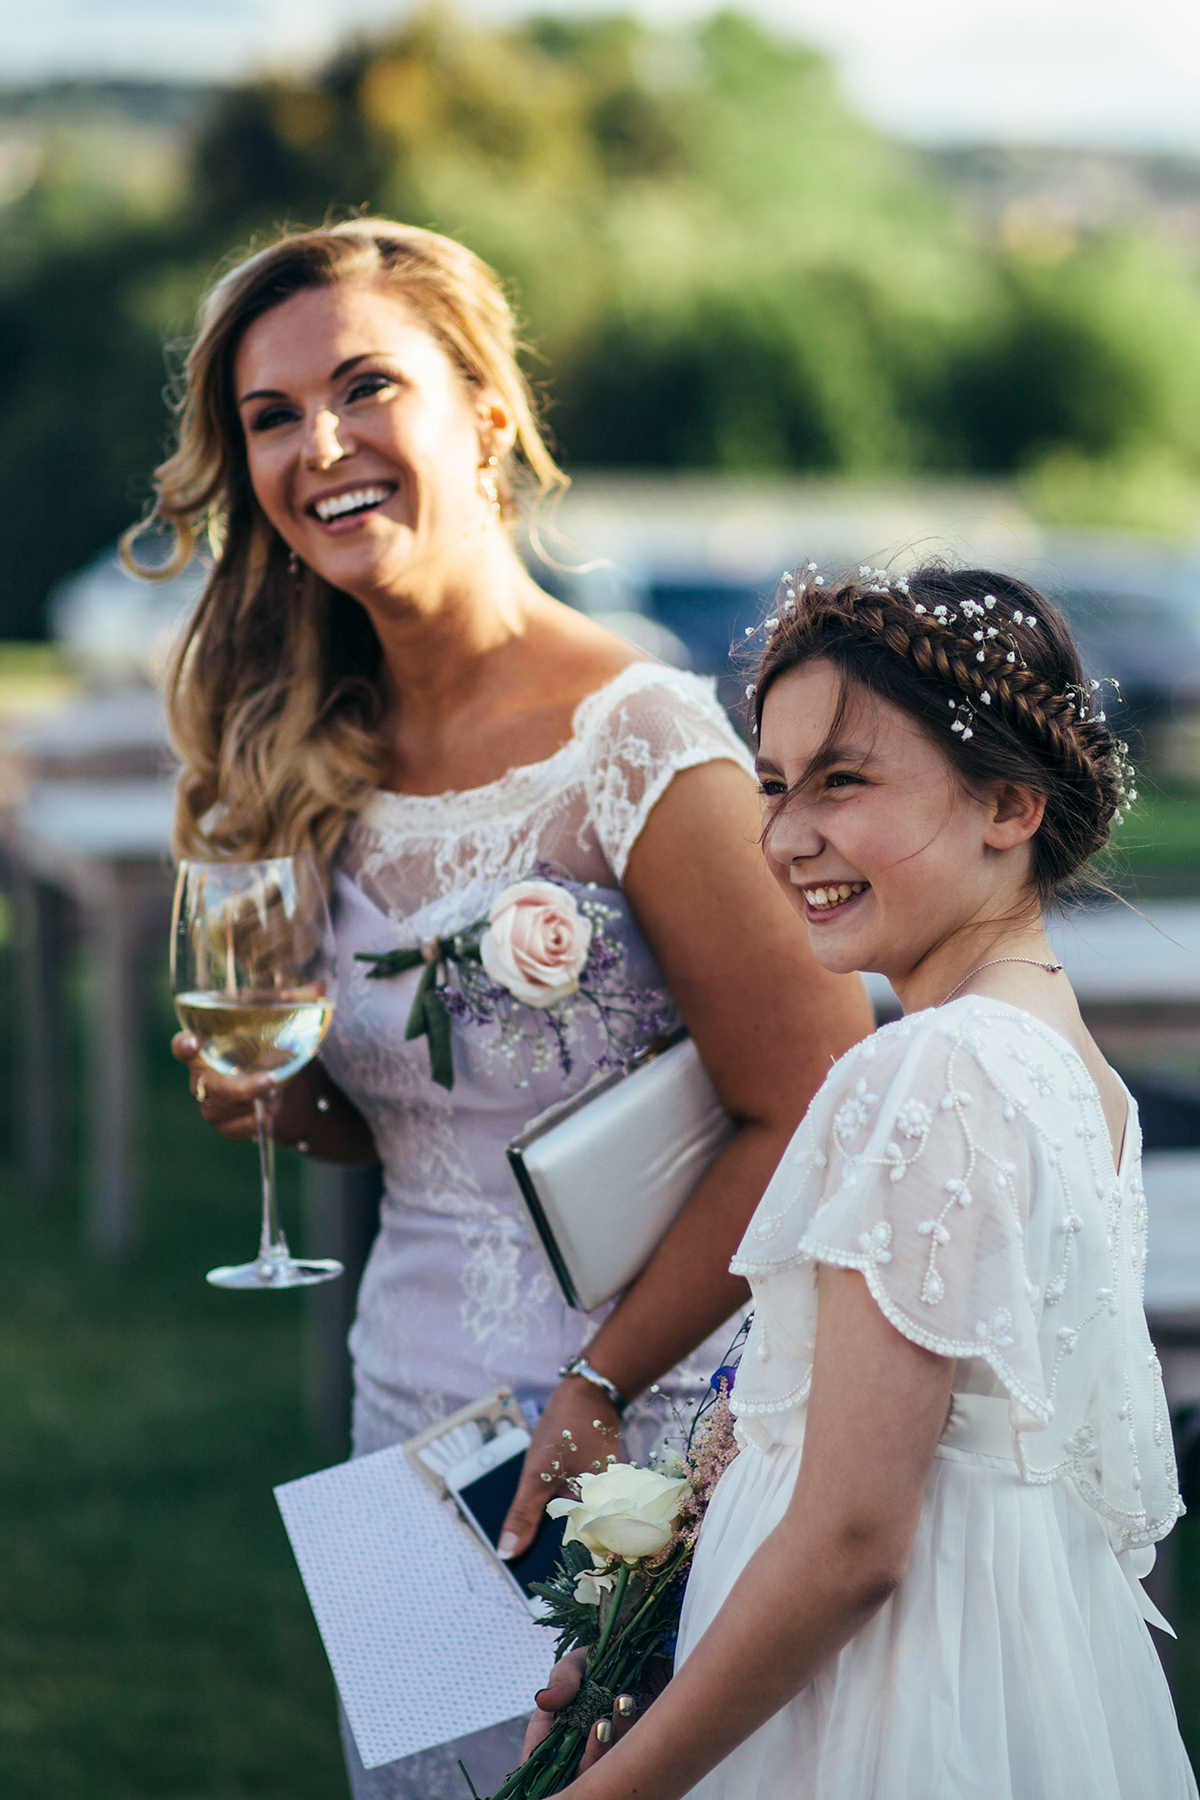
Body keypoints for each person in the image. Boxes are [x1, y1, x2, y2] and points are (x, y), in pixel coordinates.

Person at [128, 218, 872, 1797]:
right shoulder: (300, 739)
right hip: (404, 1417)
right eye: (269, 416)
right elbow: (402, 1134)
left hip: (646, 1430)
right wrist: (281, 1097)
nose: (317, 445)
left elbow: (815, 1098)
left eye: (363, 388)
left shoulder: (639, 737)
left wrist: (601, 1393)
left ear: (481, 413)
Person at [530, 564, 1197, 1799]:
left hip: (886, 1707)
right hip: (1011, 1682)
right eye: (774, 785)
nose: (785, 835)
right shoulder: (1067, 1065)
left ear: (1008, 804)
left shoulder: (932, 1069)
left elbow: (850, 1540)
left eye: (844, 781)